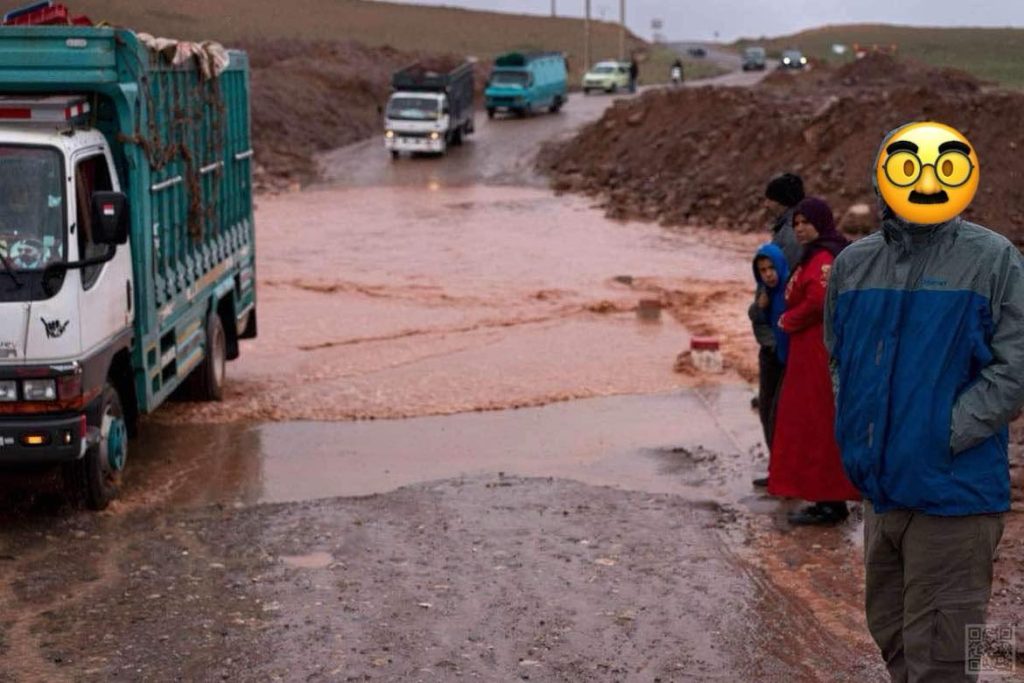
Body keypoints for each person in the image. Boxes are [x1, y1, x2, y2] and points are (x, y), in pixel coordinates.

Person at [825, 122, 1024, 680]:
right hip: (882, 494)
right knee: (892, 635)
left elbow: (1014, 369)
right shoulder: (853, 265)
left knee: (943, 658)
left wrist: (939, 435)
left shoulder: (993, 259)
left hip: (953, 496)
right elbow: (839, 358)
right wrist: (861, 433)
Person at [767, 197, 860, 523]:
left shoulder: (824, 257)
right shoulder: (817, 254)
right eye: (795, 224)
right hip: (808, 352)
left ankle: (831, 501)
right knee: (808, 422)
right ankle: (823, 496)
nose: (800, 229)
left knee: (819, 422)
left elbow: (820, 299)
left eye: (805, 222)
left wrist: (789, 320)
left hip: (818, 354)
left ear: (820, 221)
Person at [748, 243, 789, 481]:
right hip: (769, 357)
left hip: (788, 358)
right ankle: (777, 467)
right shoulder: (763, 292)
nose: (768, 274)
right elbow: (756, 319)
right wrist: (759, 307)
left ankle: (785, 469)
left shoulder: (789, 289)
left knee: (779, 414)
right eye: (762, 270)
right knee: (766, 411)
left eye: (772, 268)